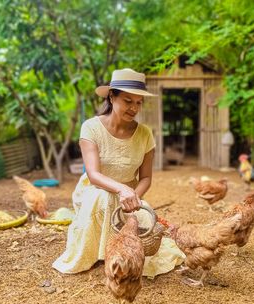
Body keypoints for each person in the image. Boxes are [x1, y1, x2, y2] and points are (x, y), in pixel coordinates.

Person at [52, 68, 184, 277]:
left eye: (139, 102)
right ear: (112, 97)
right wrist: (122, 189)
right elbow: (93, 174)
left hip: (130, 195)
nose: (134, 107)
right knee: (104, 198)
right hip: (95, 191)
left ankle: (121, 252)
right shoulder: (91, 128)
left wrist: (134, 196)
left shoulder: (145, 134)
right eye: (128, 101)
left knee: (147, 224)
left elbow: (146, 178)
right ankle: (100, 253)